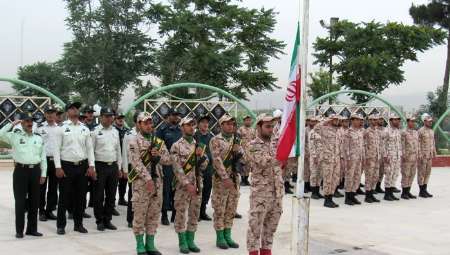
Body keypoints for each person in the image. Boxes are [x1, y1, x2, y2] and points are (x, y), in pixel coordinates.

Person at [128, 112, 171, 255]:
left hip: (158, 183)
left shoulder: (158, 142)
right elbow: (136, 163)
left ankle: (150, 244)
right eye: (145, 123)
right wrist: (148, 179)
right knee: (140, 214)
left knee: (154, 214)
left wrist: (158, 156)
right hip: (142, 184)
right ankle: (140, 245)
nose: (149, 125)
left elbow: (168, 160)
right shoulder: (134, 141)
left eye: (150, 122)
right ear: (139, 124)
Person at [0, 112, 47, 238]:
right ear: (22, 123)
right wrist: (11, 124)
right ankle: (19, 230)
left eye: (31, 121)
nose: (30, 123)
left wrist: (43, 173)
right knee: (20, 202)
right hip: (21, 171)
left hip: (35, 171)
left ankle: (32, 229)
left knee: (34, 202)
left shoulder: (38, 138)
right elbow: (0, 134)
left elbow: (43, 157)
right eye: (26, 121)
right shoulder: (15, 136)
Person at [53, 101, 96, 235]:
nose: (75, 110)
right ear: (67, 112)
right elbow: (56, 149)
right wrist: (58, 167)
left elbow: (89, 149)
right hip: (66, 166)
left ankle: (78, 224)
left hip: (82, 166)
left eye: (77, 108)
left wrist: (91, 166)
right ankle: (61, 226)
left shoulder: (85, 128)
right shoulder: (61, 128)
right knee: (64, 197)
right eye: (72, 108)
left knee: (81, 197)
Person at [245, 114, 284, 255]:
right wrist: (283, 156)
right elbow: (264, 162)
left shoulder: (277, 143)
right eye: (267, 126)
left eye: (272, 127)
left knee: (270, 229)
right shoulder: (252, 145)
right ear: (259, 127)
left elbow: (286, 165)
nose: (271, 129)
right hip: (261, 194)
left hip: (277, 192)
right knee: (255, 228)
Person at [171, 117, 209, 253]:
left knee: (194, 213)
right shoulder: (176, 145)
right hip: (183, 187)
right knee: (181, 213)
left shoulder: (198, 144)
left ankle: (191, 240)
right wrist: (187, 184)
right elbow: (176, 168)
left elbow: (204, 166)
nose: (191, 127)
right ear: (181, 127)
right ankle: (182, 241)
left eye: (193, 125)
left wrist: (201, 157)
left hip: (198, 184)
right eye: (188, 125)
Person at [210, 114, 243, 249]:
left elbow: (243, 158)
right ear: (221, 125)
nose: (230, 126)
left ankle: (228, 235)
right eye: (227, 124)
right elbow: (216, 160)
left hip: (234, 180)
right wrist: (225, 177)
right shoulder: (215, 140)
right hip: (221, 181)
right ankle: (220, 237)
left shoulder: (236, 140)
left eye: (232, 124)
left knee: (231, 208)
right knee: (220, 208)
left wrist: (238, 154)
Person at [91, 107, 122, 231]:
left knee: (111, 195)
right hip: (100, 166)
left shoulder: (115, 131)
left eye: (111, 116)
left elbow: (118, 151)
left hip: (113, 166)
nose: (109, 118)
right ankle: (99, 220)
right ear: (101, 117)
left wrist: (119, 167)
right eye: (107, 116)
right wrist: (92, 167)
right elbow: (90, 151)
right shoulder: (94, 131)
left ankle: (108, 219)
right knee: (98, 196)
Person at [155, 108, 182, 225]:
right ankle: (164, 214)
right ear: (168, 116)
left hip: (180, 165)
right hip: (167, 164)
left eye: (177, 115)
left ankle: (175, 215)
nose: (176, 117)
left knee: (178, 189)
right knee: (166, 190)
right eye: (174, 115)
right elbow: (158, 147)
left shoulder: (181, 130)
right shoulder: (162, 130)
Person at [37, 105, 59, 221]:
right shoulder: (39, 129)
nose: (50, 115)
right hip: (43, 161)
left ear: (56, 114)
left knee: (53, 188)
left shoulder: (60, 129)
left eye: (52, 112)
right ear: (45, 114)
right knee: (41, 187)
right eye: (48, 112)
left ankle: (50, 210)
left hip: (55, 162)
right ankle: (41, 211)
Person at [316, 114, 341, 208]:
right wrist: (325, 121)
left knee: (335, 179)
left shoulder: (338, 131)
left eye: (337, 119)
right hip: (328, 158)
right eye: (335, 119)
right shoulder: (324, 129)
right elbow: (315, 129)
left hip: (336, 158)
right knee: (328, 179)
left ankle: (331, 197)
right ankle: (327, 200)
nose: (337, 121)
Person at [194, 114, 214, 221]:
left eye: (207, 122)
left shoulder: (211, 137)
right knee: (198, 190)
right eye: (203, 122)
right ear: (198, 124)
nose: (205, 124)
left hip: (209, 168)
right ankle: (196, 213)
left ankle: (202, 211)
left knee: (207, 189)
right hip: (198, 168)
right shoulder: (195, 136)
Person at [122, 111, 141, 228]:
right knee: (132, 193)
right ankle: (131, 218)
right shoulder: (129, 134)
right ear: (135, 122)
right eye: (140, 121)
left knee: (143, 193)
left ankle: (140, 217)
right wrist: (124, 169)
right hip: (132, 166)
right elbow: (124, 153)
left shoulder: (148, 134)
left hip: (144, 166)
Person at [343, 114, 365, 206]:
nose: (359, 121)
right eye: (357, 120)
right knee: (349, 177)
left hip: (359, 158)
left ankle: (353, 195)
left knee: (357, 177)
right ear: (352, 120)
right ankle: (348, 197)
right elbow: (345, 147)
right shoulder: (348, 132)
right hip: (351, 159)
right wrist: (347, 159)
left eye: (360, 120)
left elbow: (362, 146)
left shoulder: (360, 132)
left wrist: (363, 157)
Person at [383, 113, 402, 201]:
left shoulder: (398, 131)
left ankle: (391, 192)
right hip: (389, 156)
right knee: (389, 175)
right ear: (390, 121)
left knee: (395, 174)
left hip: (397, 156)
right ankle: (387, 194)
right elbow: (382, 144)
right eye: (395, 119)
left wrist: (400, 154)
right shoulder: (386, 131)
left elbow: (399, 144)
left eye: (398, 119)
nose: (397, 121)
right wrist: (385, 155)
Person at [363, 114, 382, 203]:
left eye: (376, 120)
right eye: (373, 120)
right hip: (369, 158)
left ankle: (371, 193)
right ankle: (367, 196)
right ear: (370, 121)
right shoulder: (366, 132)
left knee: (375, 176)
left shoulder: (378, 131)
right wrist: (365, 157)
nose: (375, 121)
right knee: (369, 177)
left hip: (377, 157)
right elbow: (363, 145)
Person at [417, 114, 436, 198]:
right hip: (423, 155)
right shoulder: (420, 131)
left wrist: (434, 152)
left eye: (431, 121)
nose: (430, 122)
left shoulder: (431, 131)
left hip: (429, 155)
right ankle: (421, 191)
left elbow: (433, 142)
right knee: (421, 173)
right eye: (428, 121)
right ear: (424, 121)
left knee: (428, 173)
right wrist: (419, 154)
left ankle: (425, 189)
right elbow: (417, 143)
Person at [114, 112, 131, 206]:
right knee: (114, 181)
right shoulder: (113, 130)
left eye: (122, 118)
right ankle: (112, 200)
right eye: (119, 118)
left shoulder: (127, 131)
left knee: (124, 180)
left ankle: (121, 198)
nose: (121, 120)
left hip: (125, 158)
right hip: (116, 158)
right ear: (115, 119)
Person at [400, 115, 419, 200]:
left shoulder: (415, 132)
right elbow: (402, 145)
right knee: (406, 174)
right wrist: (403, 155)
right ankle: (404, 193)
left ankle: (408, 191)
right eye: (411, 121)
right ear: (407, 122)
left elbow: (417, 144)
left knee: (412, 174)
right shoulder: (403, 132)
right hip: (407, 157)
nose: (413, 123)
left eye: (414, 121)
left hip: (414, 157)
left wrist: (418, 154)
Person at [238, 115, 256, 186]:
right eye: (246, 120)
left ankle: (246, 179)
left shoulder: (253, 130)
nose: (248, 121)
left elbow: (255, 139)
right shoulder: (240, 129)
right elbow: (238, 139)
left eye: (249, 120)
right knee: (243, 165)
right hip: (243, 150)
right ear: (244, 121)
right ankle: (242, 179)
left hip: (250, 150)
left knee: (249, 165)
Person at [309, 117, 323, 200]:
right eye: (316, 122)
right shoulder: (312, 132)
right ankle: (314, 193)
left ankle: (317, 192)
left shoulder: (321, 132)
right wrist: (314, 156)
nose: (318, 123)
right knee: (314, 174)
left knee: (319, 175)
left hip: (321, 157)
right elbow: (311, 146)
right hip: (315, 157)